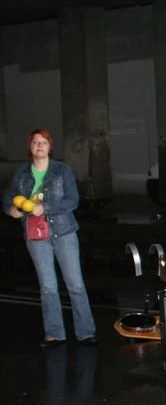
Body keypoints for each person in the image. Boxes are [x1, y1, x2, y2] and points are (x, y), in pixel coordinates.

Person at [2, 128, 97, 348]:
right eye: (35, 142)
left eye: (44, 142)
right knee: (48, 286)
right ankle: (54, 334)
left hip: (63, 231)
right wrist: (10, 209)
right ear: (30, 147)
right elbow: (8, 195)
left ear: (50, 146)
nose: (39, 146)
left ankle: (86, 332)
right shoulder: (22, 173)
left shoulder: (62, 170)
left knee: (75, 284)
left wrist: (46, 207)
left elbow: (72, 200)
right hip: (35, 235)